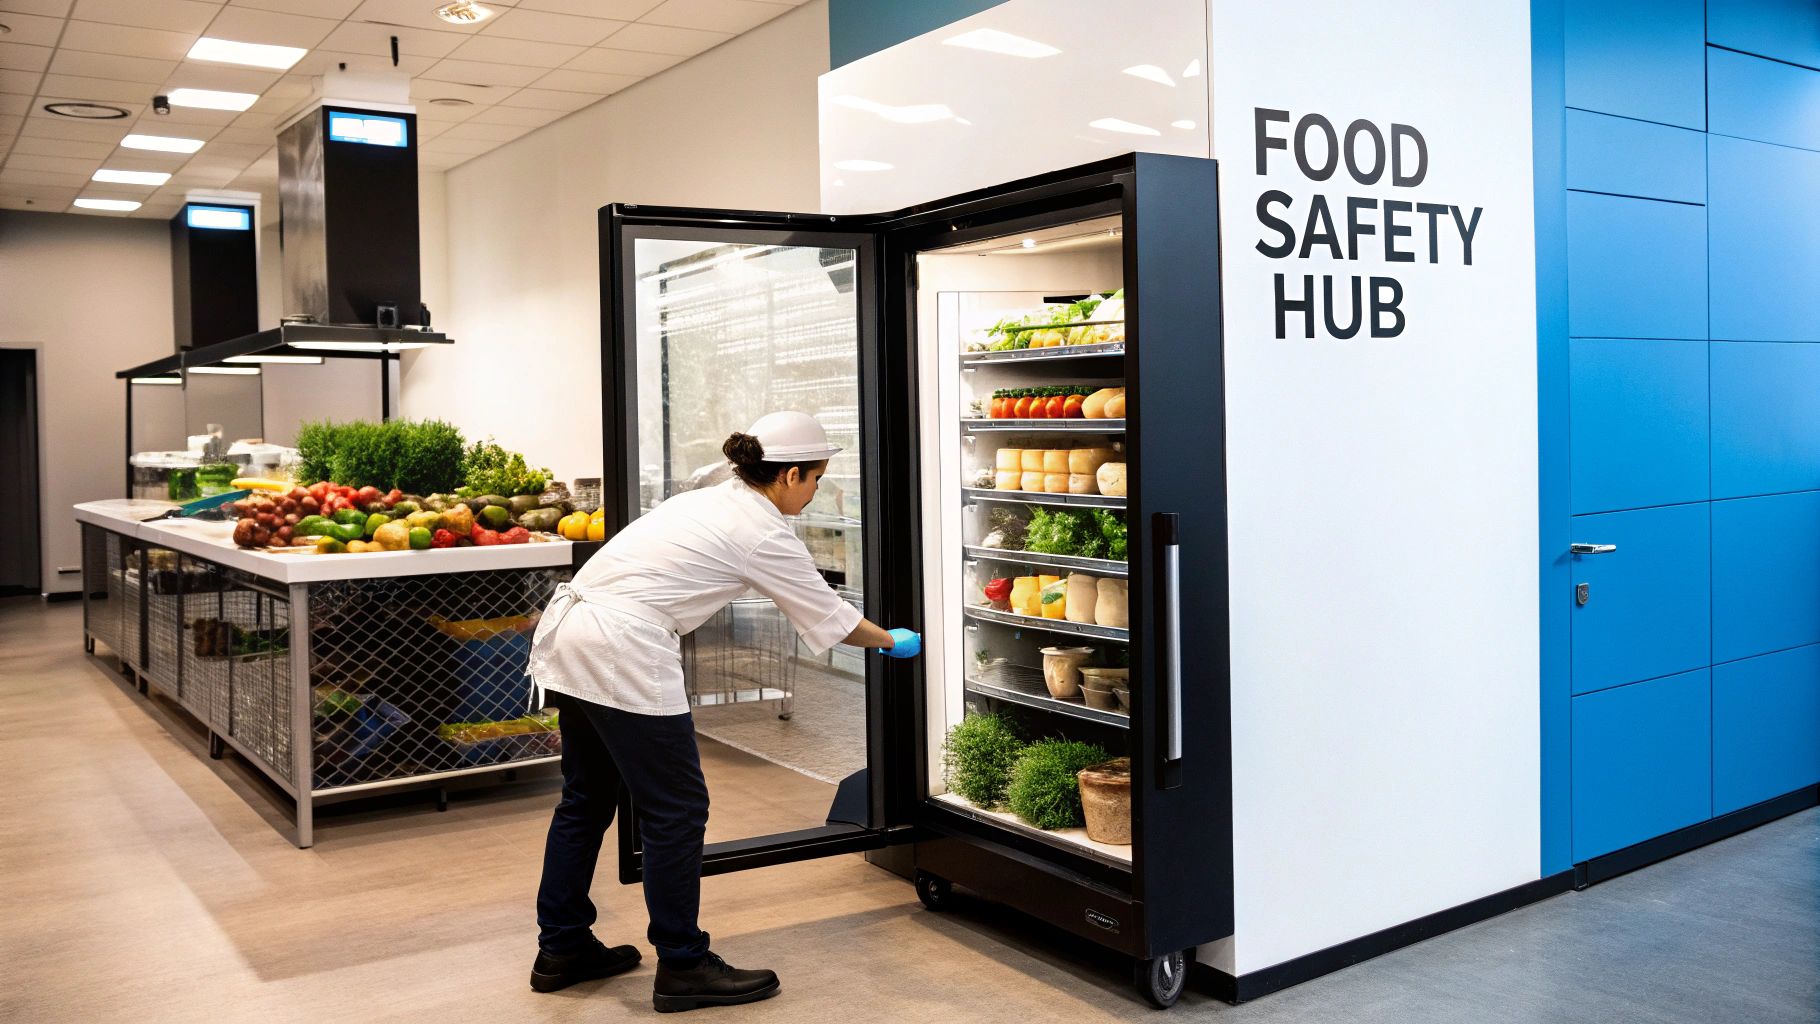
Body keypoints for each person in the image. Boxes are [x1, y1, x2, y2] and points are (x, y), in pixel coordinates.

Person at [525, 410, 921, 1013]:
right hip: (621, 648)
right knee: (677, 810)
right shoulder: (763, 531)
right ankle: (682, 965)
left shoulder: (711, 497)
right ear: (789, 475)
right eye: (816, 479)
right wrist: (893, 640)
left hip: (574, 631)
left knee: (587, 797)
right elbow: (831, 619)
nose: (817, 494)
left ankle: (563, 946)